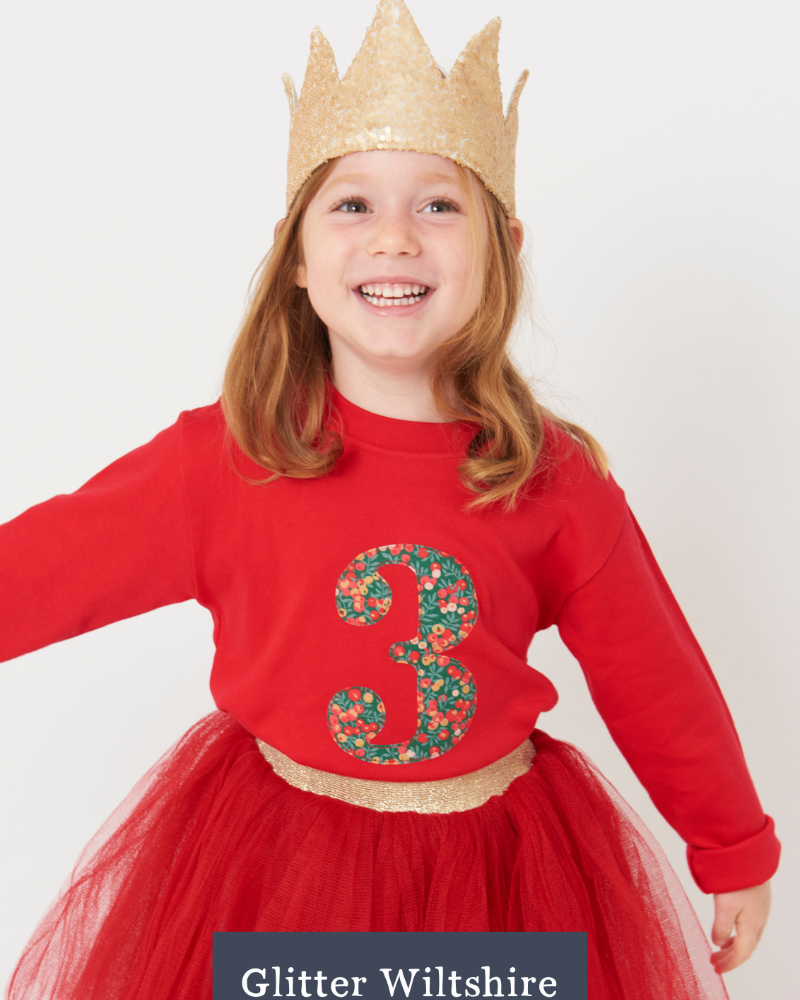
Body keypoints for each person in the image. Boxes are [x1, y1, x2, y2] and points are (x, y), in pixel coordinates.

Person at [0, 2, 779, 998]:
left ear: (502, 243)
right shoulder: (228, 459)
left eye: (438, 206)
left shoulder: (548, 481)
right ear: (295, 253)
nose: (395, 237)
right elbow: (48, 566)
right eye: (353, 205)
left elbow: (653, 671)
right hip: (276, 870)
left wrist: (730, 843)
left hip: (496, 876)